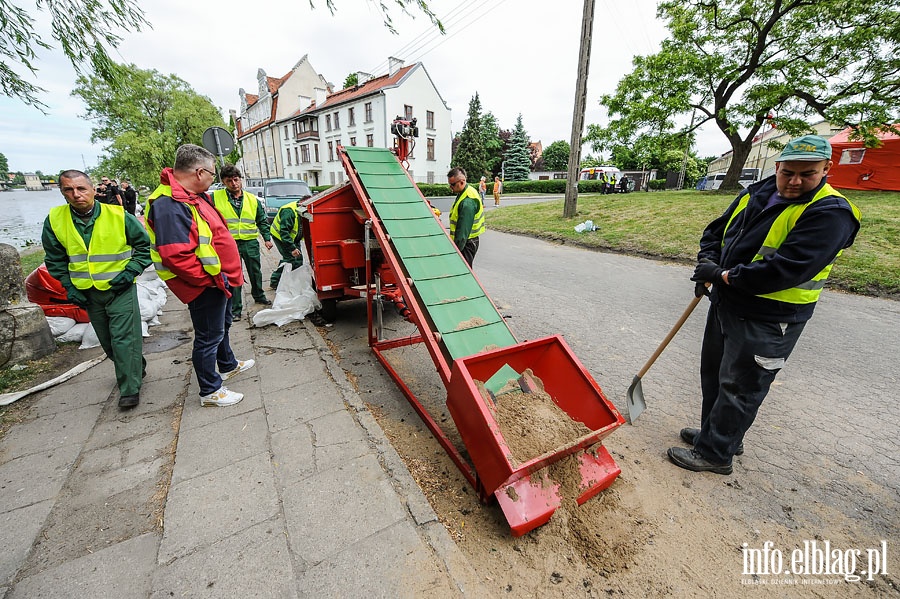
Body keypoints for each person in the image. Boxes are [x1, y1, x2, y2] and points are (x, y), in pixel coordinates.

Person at [669, 135, 860, 475]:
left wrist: (723, 275)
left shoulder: (831, 213)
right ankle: (719, 436)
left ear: (827, 169)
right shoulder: (756, 192)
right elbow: (715, 232)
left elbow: (784, 269)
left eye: (808, 174)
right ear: (777, 167)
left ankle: (716, 454)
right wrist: (707, 264)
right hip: (727, 305)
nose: (795, 181)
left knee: (741, 386)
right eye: (788, 172)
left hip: (771, 317)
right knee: (715, 376)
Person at [145, 145, 255, 407]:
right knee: (208, 335)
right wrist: (210, 280)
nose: (214, 179)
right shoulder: (169, 203)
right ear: (199, 171)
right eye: (212, 174)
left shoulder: (192, 195)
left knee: (221, 326)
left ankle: (227, 364)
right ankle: (210, 390)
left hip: (218, 278)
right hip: (204, 283)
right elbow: (176, 255)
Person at [42, 170, 151, 409]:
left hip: (119, 288)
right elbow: (55, 260)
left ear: (93, 190)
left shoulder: (117, 215)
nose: (76, 194)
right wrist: (69, 288)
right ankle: (135, 366)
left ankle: (129, 390)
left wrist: (130, 272)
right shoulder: (55, 220)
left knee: (124, 339)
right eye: (69, 190)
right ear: (62, 193)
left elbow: (145, 248)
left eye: (81, 189)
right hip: (87, 293)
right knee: (108, 342)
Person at [212, 165, 273, 319]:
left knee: (255, 271)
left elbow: (261, 221)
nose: (234, 183)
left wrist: (267, 238)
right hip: (229, 244)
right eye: (229, 181)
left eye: (236, 179)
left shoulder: (253, 200)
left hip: (250, 242)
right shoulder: (215, 198)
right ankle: (235, 309)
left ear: (240, 180)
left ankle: (259, 296)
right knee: (234, 275)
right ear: (224, 182)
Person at [448, 168, 485, 266]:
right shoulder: (466, 191)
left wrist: (456, 251)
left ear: (462, 182)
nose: (450, 187)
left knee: (463, 271)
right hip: (469, 241)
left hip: (466, 244)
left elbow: (463, 232)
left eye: (452, 184)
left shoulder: (467, 202)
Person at [269, 198, 307, 290]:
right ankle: (275, 281)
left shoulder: (302, 210)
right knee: (290, 259)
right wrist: (292, 248)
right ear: (302, 204)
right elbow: (284, 232)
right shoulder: (289, 211)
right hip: (281, 237)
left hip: (293, 238)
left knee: (298, 259)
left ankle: (294, 280)